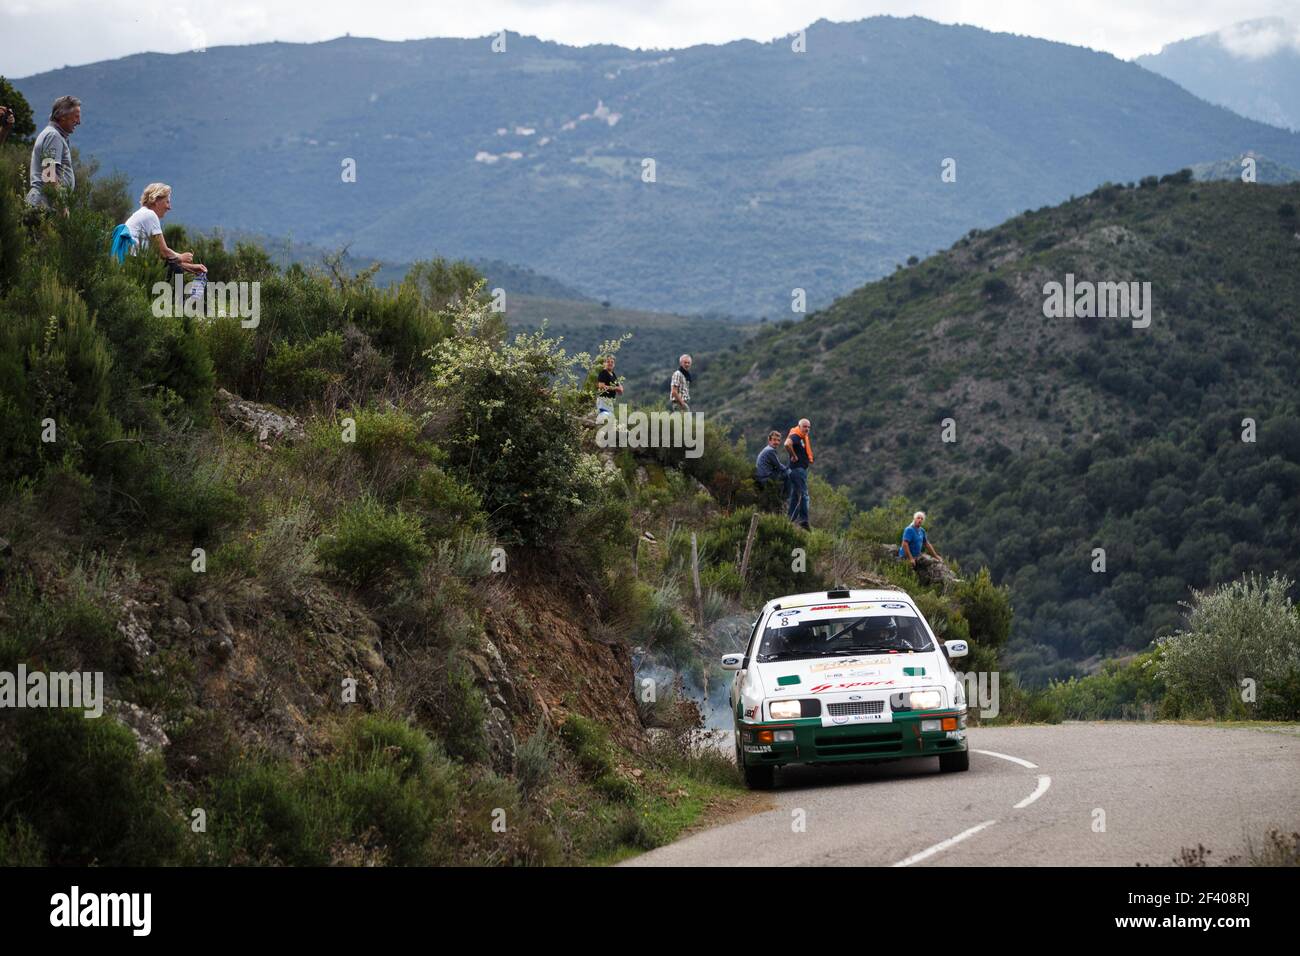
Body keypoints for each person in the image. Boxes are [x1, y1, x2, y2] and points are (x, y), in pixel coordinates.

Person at [112, 183, 207, 285]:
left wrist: (191, 267)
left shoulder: (142, 213)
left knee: (173, 268)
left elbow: (162, 258)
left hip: (130, 262)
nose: (169, 207)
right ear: (156, 200)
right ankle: (178, 301)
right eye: (167, 202)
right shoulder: (150, 215)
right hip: (134, 263)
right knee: (176, 272)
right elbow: (164, 252)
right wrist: (181, 257)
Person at [27, 95, 80, 210]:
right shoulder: (53, 136)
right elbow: (49, 173)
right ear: (62, 117)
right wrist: (61, 205)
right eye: (76, 117)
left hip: (46, 202)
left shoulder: (54, 135)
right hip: (44, 204)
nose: (78, 121)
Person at [784, 418, 813, 530]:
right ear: (799, 426)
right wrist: (794, 455)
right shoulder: (796, 436)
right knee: (804, 495)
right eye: (805, 426)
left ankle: (789, 519)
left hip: (797, 470)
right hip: (797, 470)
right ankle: (804, 520)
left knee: (795, 496)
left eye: (808, 427)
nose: (807, 429)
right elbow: (787, 444)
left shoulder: (801, 438)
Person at [755, 430, 790, 512]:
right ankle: (785, 499)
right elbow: (779, 466)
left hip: (762, 476)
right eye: (774, 440)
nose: (776, 442)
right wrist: (788, 469)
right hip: (765, 478)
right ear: (769, 440)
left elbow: (777, 466)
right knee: (788, 474)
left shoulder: (767, 449)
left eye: (778, 440)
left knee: (785, 472)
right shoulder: (770, 451)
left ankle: (782, 497)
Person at [595, 355, 623, 419]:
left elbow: (621, 390)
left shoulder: (613, 374)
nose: (610, 363)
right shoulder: (603, 373)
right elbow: (601, 386)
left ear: (614, 364)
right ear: (604, 363)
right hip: (603, 400)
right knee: (605, 420)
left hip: (610, 401)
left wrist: (617, 388)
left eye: (612, 362)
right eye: (608, 362)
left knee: (609, 420)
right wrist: (615, 388)